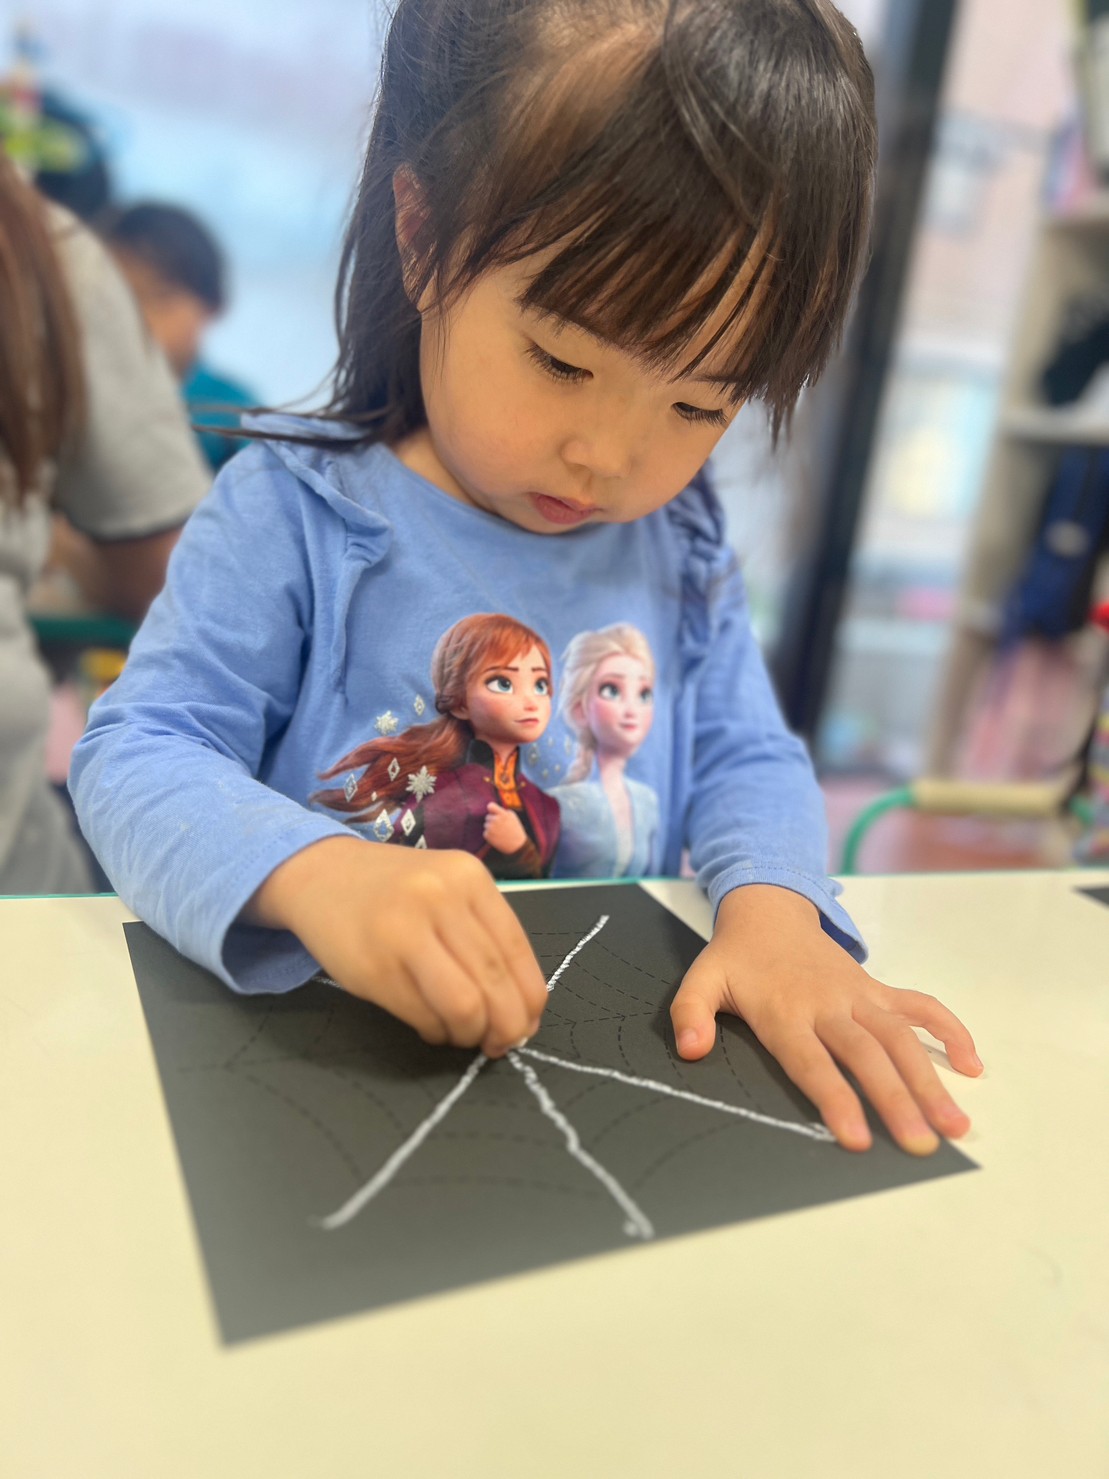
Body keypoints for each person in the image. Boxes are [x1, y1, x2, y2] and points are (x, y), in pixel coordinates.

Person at [71, 0, 982, 1155]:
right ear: (420, 237)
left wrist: (777, 912)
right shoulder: (296, 511)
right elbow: (139, 750)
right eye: (560, 360)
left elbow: (742, 754)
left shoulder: (677, 543)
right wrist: (316, 875)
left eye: (700, 405)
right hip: (320, 1071)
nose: (610, 456)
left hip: (601, 1063)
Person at [0, 151, 207, 893]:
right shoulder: (41, 250)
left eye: (157, 297)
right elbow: (174, 578)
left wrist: (65, 547)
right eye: (138, 297)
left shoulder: (44, 252)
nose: (149, 322)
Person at [314, 612, 561, 877]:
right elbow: (406, 876)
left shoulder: (546, 806)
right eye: (503, 683)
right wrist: (518, 853)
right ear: (460, 703)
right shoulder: (441, 793)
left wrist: (521, 851)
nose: (531, 702)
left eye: (540, 685)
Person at [100, 201, 257, 471]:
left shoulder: (237, 416)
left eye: (161, 297)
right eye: (120, 298)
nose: (139, 318)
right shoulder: (83, 398)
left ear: (213, 304)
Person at [550, 624, 660, 878]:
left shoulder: (647, 801)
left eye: (644, 694)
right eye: (612, 690)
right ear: (580, 709)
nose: (632, 710)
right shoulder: (562, 803)